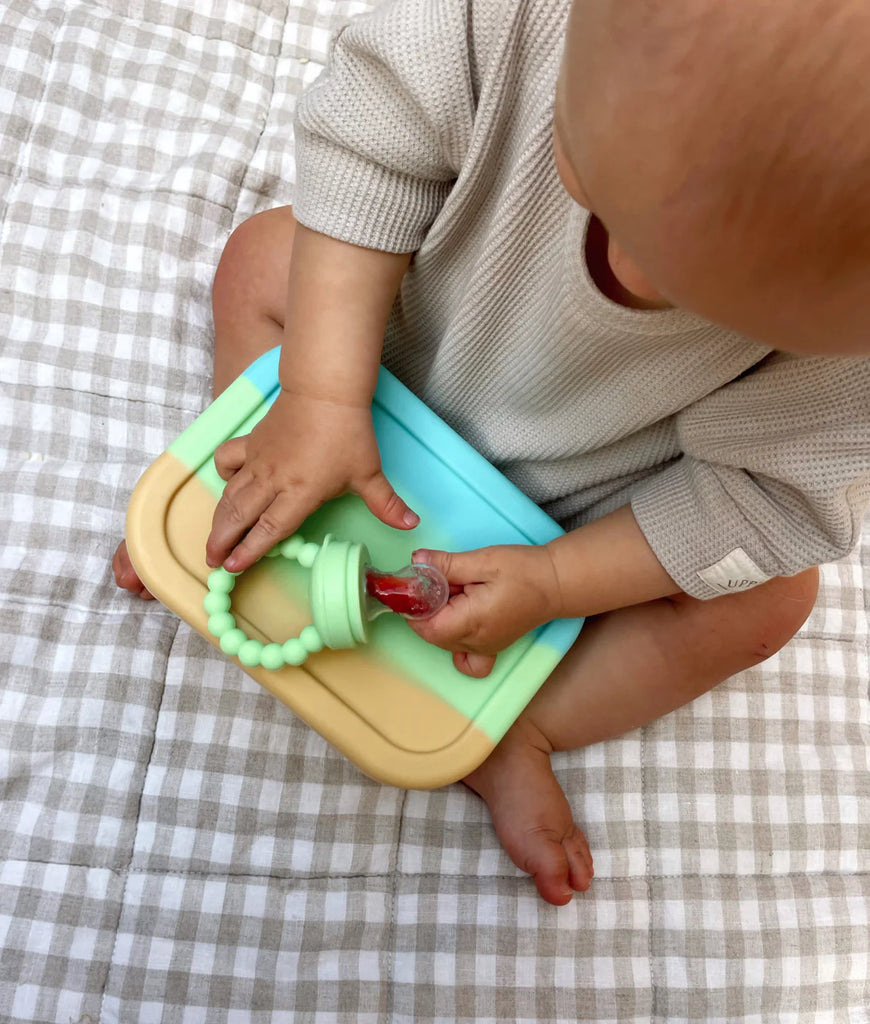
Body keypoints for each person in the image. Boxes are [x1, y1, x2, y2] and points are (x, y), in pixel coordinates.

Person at [114, 0, 870, 905]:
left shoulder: (850, 346)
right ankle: (247, 477)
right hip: (393, 345)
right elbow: (368, 129)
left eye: (704, 298)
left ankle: (511, 725)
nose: (624, 275)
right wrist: (319, 392)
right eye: (594, 186)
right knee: (261, 257)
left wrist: (559, 583)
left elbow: (772, 501)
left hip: (599, 496)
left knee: (769, 604)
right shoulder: (508, 22)